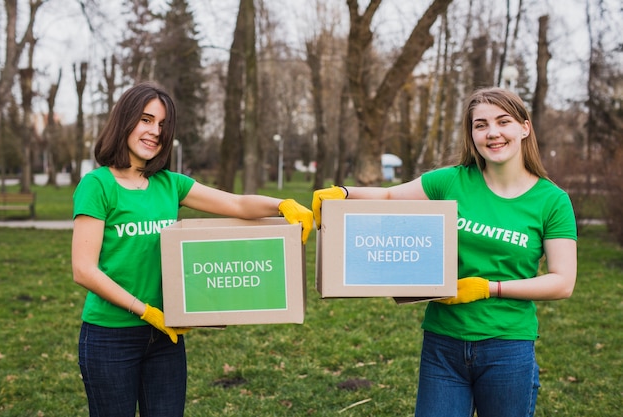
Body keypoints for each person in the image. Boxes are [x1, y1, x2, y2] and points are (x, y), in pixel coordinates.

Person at [312, 87, 577, 417]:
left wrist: (488, 288)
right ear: (471, 134)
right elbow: (392, 198)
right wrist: (344, 193)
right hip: (443, 343)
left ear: (524, 128)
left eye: (503, 122)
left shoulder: (551, 201)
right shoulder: (451, 182)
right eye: (480, 125)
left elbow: (562, 282)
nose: (492, 132)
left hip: (508, 346)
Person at [71, 82, 312, 417]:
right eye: (146, 120)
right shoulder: (97, 185)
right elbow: (84, 269)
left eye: (162, 125)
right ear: (125, 121)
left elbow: (236, 203)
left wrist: (282, 204)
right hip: (111, 338)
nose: (155, 131)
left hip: (166, 337)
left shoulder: (170, 184)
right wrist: (144, 310)